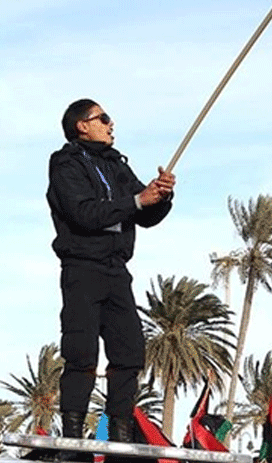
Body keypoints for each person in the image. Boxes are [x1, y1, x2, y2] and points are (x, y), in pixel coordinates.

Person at [46, 100, 174, 444]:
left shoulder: (117, 164)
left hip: (117, 269)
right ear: (81, 126)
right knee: (81, 352)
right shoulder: (65, 164)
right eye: (102, 118)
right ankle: (73, 439)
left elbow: (144, 215)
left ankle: (120, 434)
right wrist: (136, 201)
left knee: (130, 351)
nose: (110, 123)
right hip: (81, 269)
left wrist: (160, 196)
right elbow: (83, 213)